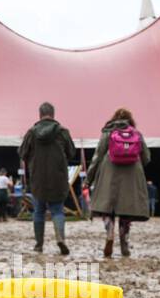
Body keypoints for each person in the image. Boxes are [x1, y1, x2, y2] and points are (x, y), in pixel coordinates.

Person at [87, 108, 150, 258]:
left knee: (107, 208)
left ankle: (109, 233)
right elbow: (146, 157)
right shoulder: (136, 134)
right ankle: (124, 243)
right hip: (132, 174)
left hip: (109, 173)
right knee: (126, 211)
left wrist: (88, 179)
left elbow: (97, 157)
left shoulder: (108, 132)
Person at [19, 101, 77, 255]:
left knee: (38, 210)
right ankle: (60, 238)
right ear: (53, 114)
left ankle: (39, 244)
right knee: (57, 210)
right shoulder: (62, 131)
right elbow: (72, 153)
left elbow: (22, 153)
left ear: (40, 114)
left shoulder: (31, 132)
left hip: (38, 177)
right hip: (58, 176)